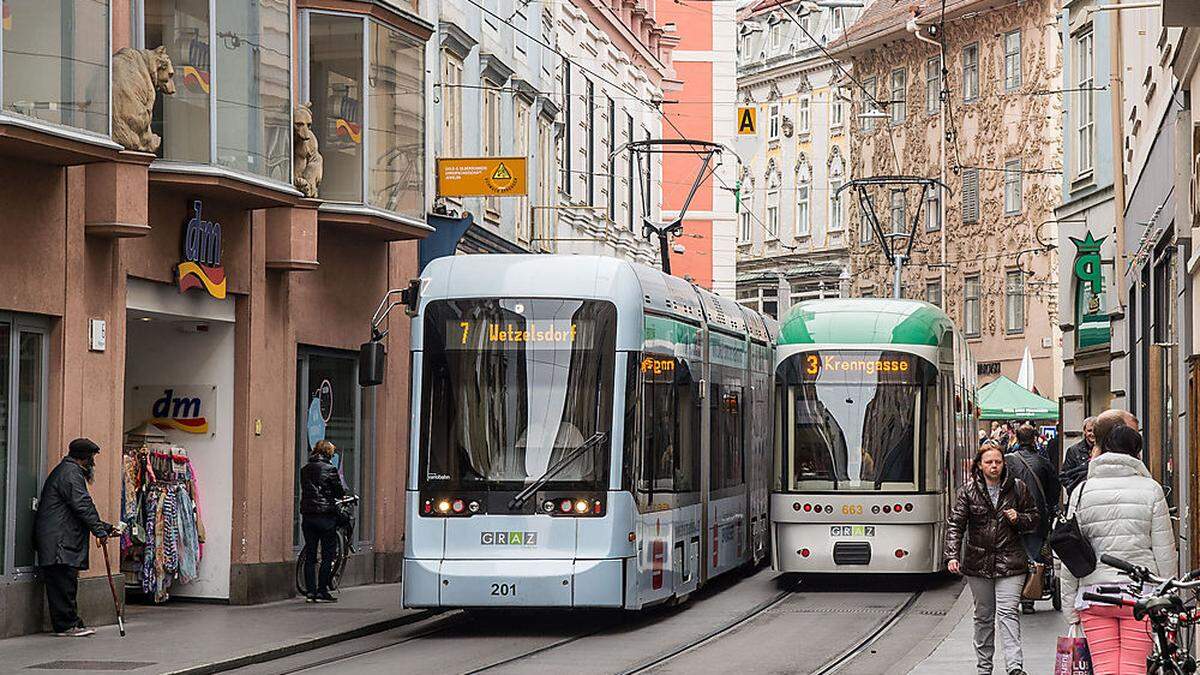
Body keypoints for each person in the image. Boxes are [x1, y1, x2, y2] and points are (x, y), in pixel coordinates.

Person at [1061, 424, 1175, 675]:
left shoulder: (1081, 491)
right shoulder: (1152, 490)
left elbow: (1070, 553)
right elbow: (1164, 550)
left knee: (1105, 669)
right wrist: (1167, 597)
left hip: (1093, 593)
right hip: (1140, 594)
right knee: (1134, 668)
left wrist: (1070, 606)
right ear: (1137, 454)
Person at [945, 441, 1039, 675]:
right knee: (984, 617)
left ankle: (1014, 666)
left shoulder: (1018, 488)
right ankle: (984, 667)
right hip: (979, 564)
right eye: (989, 462)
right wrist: (952, 555)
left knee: (1008, 613)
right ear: (979, 465)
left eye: (998, 462)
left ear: (1004, 463)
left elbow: (1035, 519)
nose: (994, 466)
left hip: (1011, 562)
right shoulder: (968, 492)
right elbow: (956, 524)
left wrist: (1019, 517)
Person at [34, 438, 116, 637]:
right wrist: (99, 530)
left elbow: (75, 509)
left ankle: (72, 622)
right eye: (92, 459)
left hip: (60, 538)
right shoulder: (70, 473)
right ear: (85, 458)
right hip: (59, 541)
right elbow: (82, 505)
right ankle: (66, 625)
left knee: (66, 582)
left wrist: (105, 528)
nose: (93, 464)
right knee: (63, 583)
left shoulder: (67, 471)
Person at [1004, 424, 1059, 614]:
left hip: (1012, 517)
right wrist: (1050, 508)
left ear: (1017, 439)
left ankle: (1016, 595)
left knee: (1015, 556)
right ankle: (1029, 597)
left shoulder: (1008, 460)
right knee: (1034, 555)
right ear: (1034, 439)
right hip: (1038, 518)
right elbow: (1055, 489)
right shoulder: (1043, 462)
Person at [300, 439, 350, 603]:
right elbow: (338, 491)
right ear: (328, 453)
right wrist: (341, 495)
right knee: (328, 555)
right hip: (326, 517)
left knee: (311, 555)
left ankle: (310, 592)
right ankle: (322, 591)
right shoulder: (330, 469)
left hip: (308, 516)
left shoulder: (305, 469)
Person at [1060, 417, 1096, 495]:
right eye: (1089, 431)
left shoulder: (1104, 449)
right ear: (1084, 431)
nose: (1092, 434)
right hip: (1079, 495)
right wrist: (1073, 489)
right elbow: (1064, 475)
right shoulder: (1073, 450)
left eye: (1095, 431)